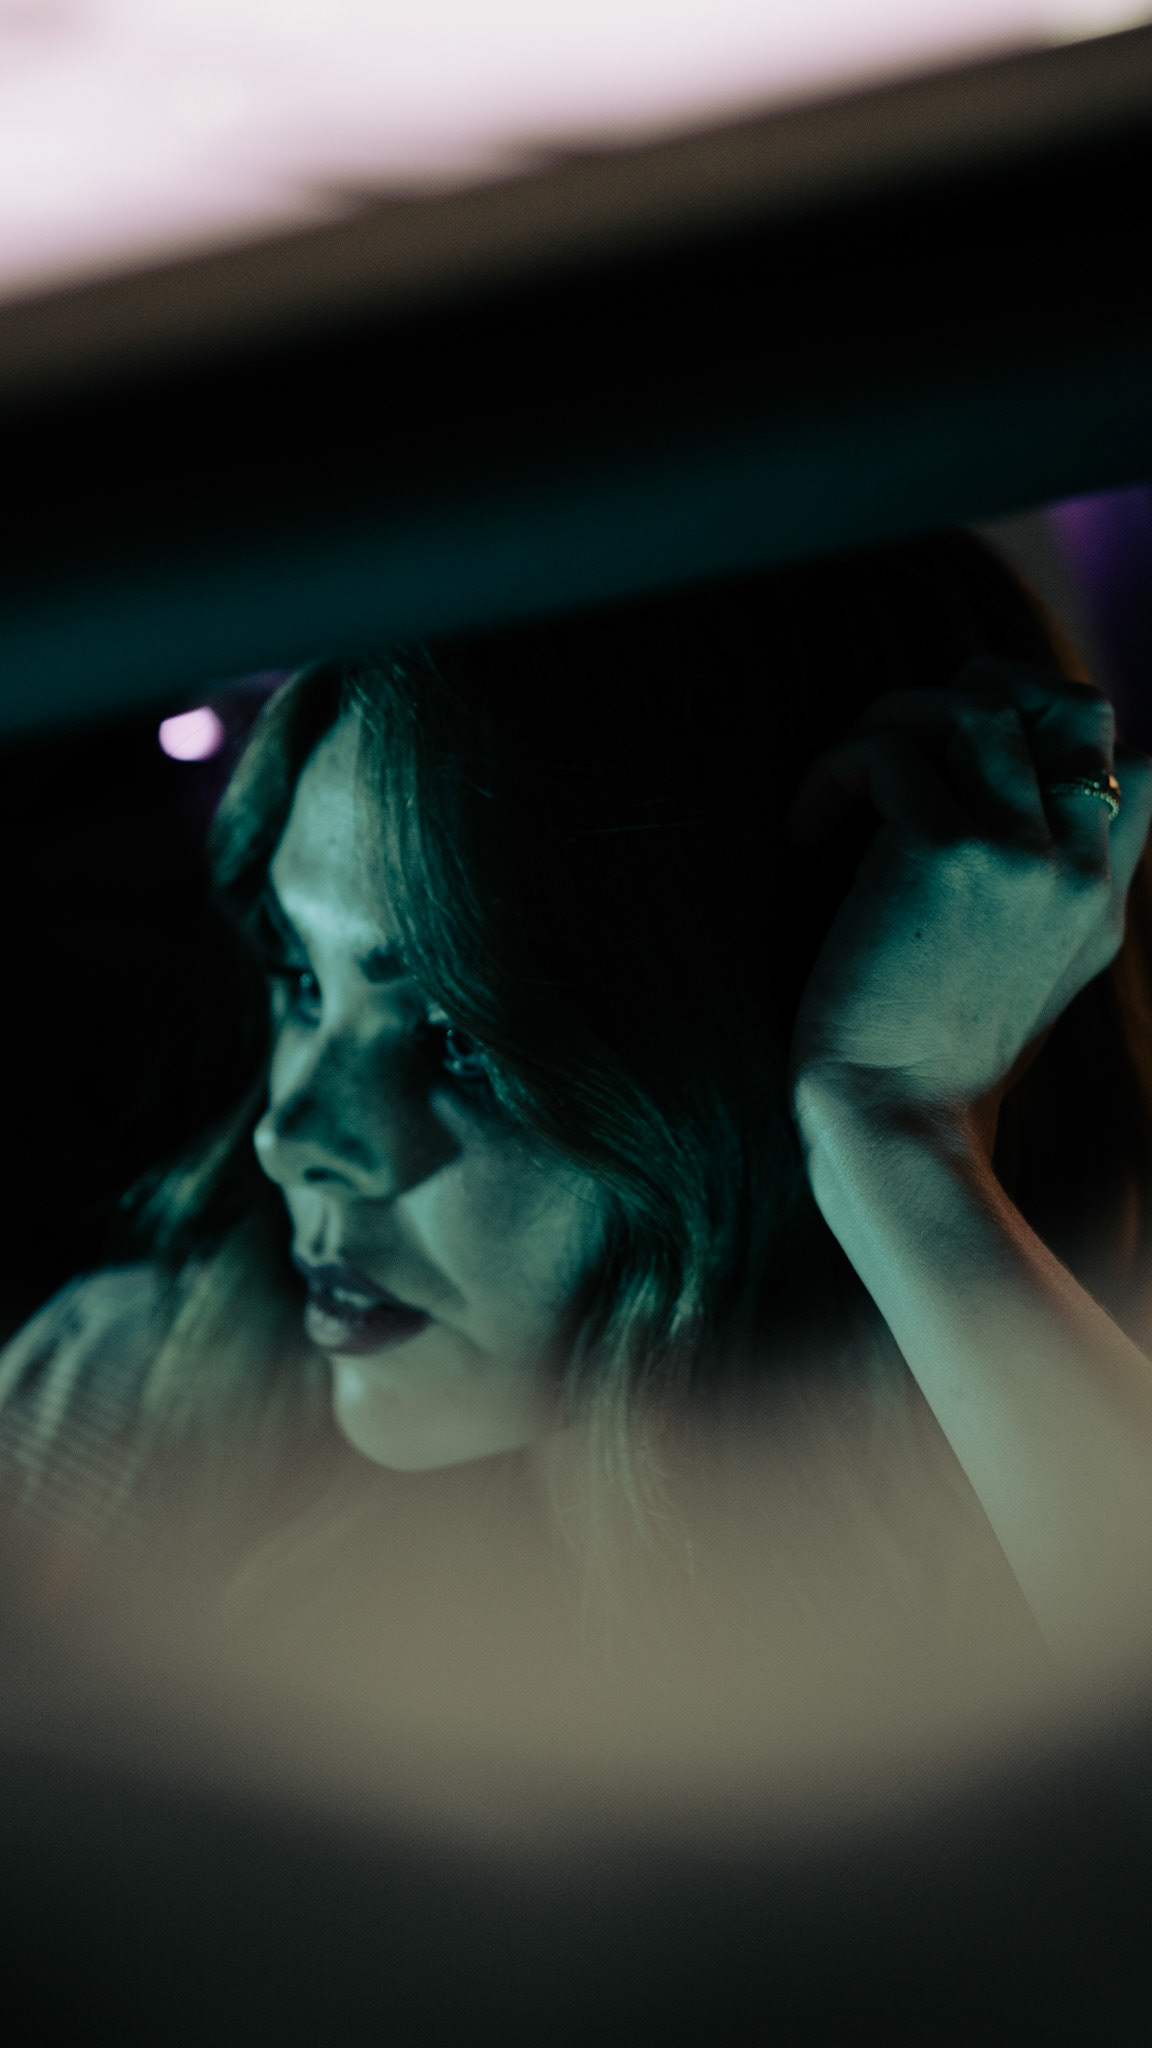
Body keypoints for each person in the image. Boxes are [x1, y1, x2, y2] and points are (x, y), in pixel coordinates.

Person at [4, 527, 1152, 1684]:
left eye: (464, 1033)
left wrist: (892, 1124)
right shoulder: (124, 1404)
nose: (291, 1137)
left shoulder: (1048, 1504)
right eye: (303, 977)